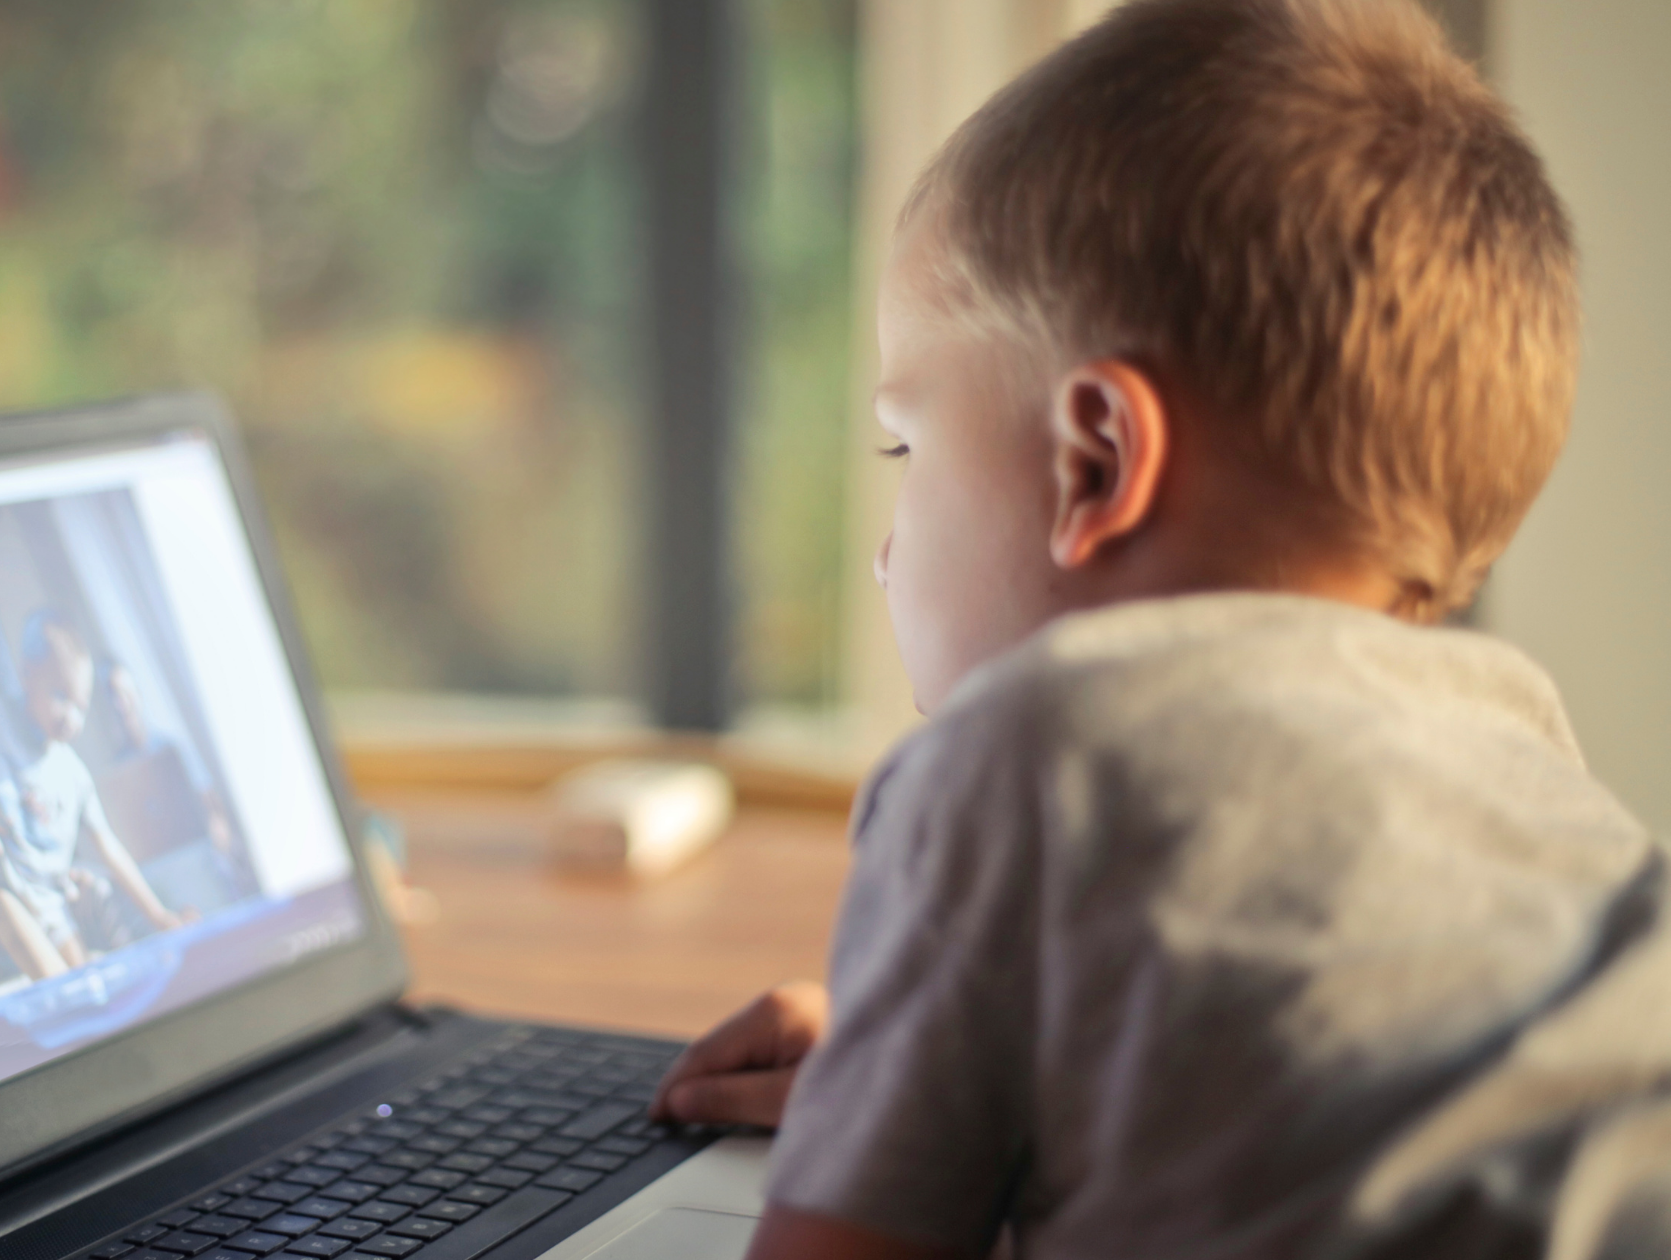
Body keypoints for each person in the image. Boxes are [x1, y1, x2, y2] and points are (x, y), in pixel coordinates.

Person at [650, 2, 1671, 1257]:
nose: (880, 548)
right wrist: (915, 1084)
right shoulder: (1527, 756)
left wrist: (859, 1161)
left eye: (903, 444)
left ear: (1094, 463)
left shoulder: (1025, 754)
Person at [0, 609, 191, 981]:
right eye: (60, 695)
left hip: (54, 904)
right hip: (5, 888)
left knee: (90, 987)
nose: (71, 716)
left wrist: (159, 916)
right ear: (27, 673)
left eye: (80, 706)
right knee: (60, 988)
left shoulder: (75, 774)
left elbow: (109, 847)